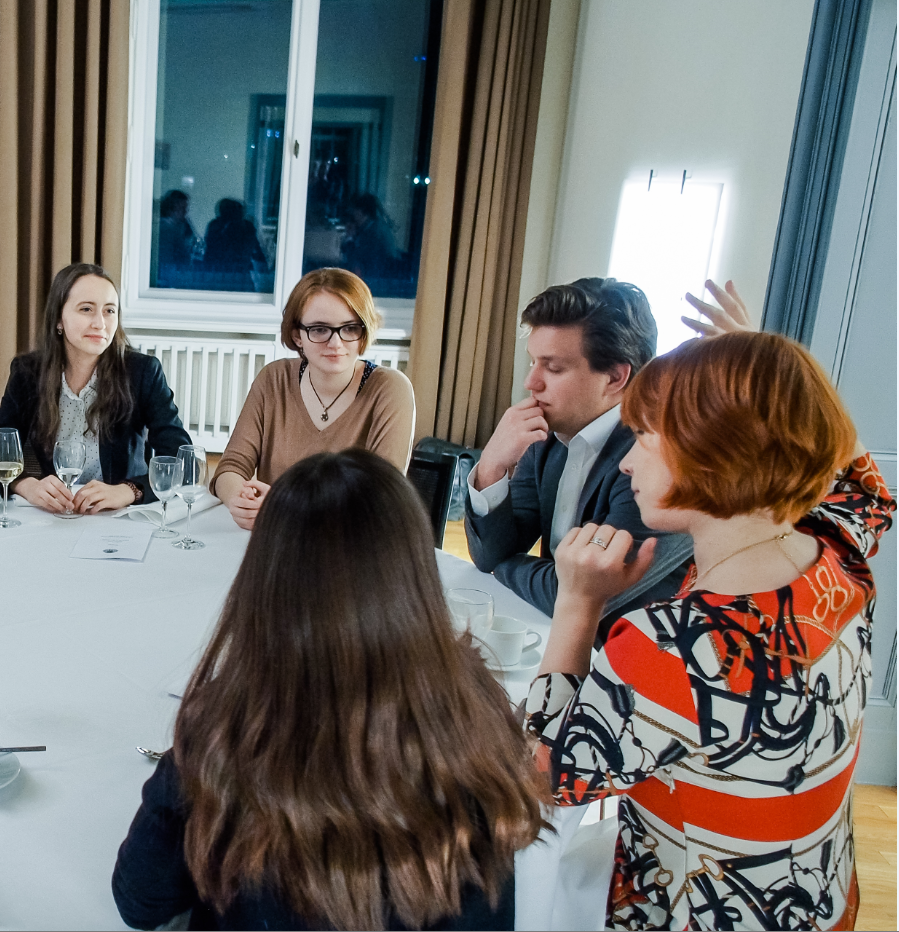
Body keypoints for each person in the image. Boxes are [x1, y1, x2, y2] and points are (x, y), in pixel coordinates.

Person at [526, 315, 895, 930]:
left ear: (708, 453)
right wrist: (764, 388)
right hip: (815, 900)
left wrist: (578, 605)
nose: (626, 463)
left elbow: (542, 779)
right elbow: (866, 492)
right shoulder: (837, 558)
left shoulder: (670, 647)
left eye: (643, 438)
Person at [113, 450, 550, 931]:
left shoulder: (230, 723)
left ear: (265, 579)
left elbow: (141, 900)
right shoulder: (475, 711)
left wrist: (184, 767)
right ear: (415, 577)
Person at [465, 277, 692, 619]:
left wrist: (503, 565)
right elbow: (489, 553)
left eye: (553, 367)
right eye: (533, 362)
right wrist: (491, 466)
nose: (530, 382)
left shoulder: (656, 458)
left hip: (635, 642)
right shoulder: (549, 432)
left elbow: (578, 594)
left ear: (615, 378)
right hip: (552, 628)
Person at [211, 267, 415, 530]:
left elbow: (380, 500)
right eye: (319, 329)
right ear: (297, 335)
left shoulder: (390, 389)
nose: (336, 343)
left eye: (350, 328)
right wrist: (240, 501)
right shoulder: (273, 379)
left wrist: (284, 508)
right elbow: (230, 468)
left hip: (350, 545)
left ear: (363, 332)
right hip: (275, 540)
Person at [0, 263, 191, 513]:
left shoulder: (142, 371)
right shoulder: (27, 373)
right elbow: (3, 447)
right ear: (58, 319)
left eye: (109, 311)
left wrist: (128, 491)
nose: (100, 323)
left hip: (121, 514)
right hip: (57, 512)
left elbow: (183, 461)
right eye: (86, 309)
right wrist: (25, 485)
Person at [202, 198, 268, 292]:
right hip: (225, 273)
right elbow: (210, 250)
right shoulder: (217, 226)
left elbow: (255, 249)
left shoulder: (246, 227)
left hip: (236, 273)